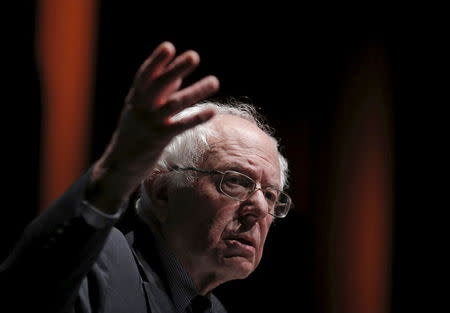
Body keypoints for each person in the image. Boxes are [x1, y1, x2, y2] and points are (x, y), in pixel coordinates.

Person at [0, 41, 292, 313]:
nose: (260, 208)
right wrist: (115, 170)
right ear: (162, 190)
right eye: (236, 181)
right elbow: (27, 286)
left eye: (269, 194)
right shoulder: (101, 262)